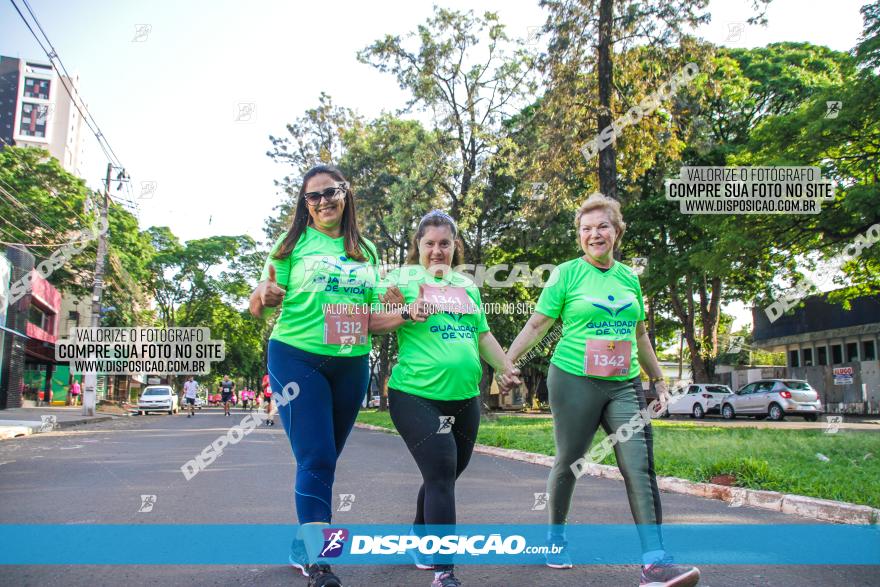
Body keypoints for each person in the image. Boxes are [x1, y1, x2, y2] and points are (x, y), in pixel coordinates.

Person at [505, 193, 700, 587]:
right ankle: (556, 537)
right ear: (579, 235)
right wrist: (506, 363)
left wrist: (658, 379)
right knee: (570, 460)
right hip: (573, 379)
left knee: (639, 464)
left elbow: (640, 333)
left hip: (624, 383)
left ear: (616, 231)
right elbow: (538, 324)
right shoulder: (566, 274)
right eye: (586, 229)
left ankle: (655, 562)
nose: (594, 234)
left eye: (602, 227)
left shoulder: (629, 277)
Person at [370, 210, 521, 587]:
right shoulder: (401, 279)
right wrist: (404, 311)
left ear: (455, 246)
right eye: (429, 244)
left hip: (465, 397)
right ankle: (444, 570)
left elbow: (482, 335)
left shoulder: (467, 286)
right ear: (417, 247)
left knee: (448, 472)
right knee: (439, 469)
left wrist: (504, 367)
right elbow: (368, 322)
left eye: (444, 243)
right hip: (415, 394)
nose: (437, 250)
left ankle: (420, 536)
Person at [249, 164, 382, 587]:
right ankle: (319, 561)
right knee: (317, 457)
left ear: (346, 194)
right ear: (305, 204)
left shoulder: (367, 250)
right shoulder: (291, 245)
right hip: (296, 357)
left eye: (331, 192)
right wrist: (261, 296)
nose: (323, 201)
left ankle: (300, 542)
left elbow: (373, 315)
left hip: (351, 362)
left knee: (328, 457)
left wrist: (402, 309)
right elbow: (259, 301)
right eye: (314, 196)